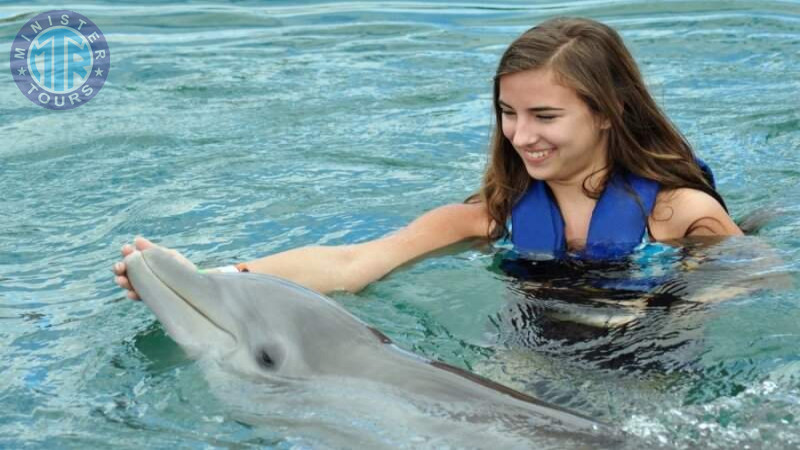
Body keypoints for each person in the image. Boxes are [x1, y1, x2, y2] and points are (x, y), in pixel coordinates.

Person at [113, 17, 742, 300]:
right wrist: (206, 281)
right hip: (529, 365)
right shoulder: (492, 216)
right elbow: (354, 261)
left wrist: (686, 299)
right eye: (508, 113)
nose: (521, 136)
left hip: (652, 370)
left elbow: (757, 286)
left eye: (545, 116)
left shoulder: (679, 213)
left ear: (607, 111)